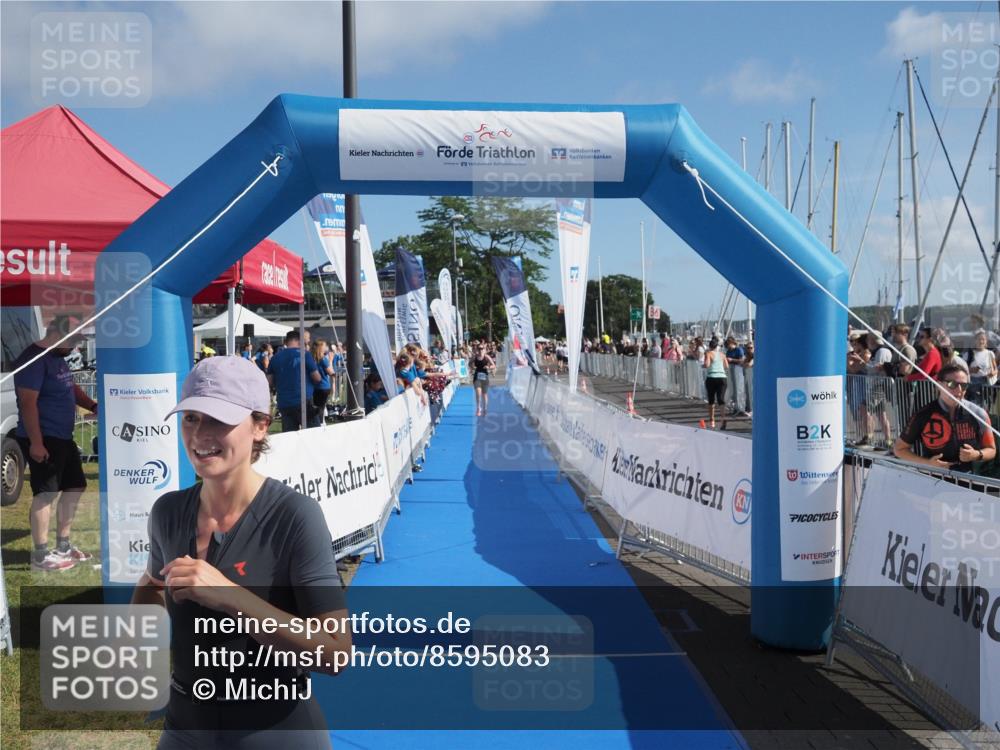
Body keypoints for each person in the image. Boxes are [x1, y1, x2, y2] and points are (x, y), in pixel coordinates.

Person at [132, 355, 350, 747]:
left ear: (260, 426)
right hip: (186, 727)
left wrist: (232, 598)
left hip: (274, 728)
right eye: (191, 418)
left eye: (218, 420)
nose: (200, 435)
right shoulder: (168, 511)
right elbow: (151, 584)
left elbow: (334, 653)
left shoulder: (295, 516)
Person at [14, 315, 98, 571]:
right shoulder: (33, 360)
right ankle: (40, 556)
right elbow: (28, 403)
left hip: (62, 436)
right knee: (45, 493)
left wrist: (94, 405)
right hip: (43, 436)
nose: (76, 346)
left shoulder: (57, 359)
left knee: (75, 487)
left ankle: (63, 545)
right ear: (57, 335)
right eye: (73, 340)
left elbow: (70, 388)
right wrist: (37, 443)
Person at [893, 363, 996, 473]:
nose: (959, 390)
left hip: (969, 479)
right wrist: (927, 463)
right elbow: (899, 449)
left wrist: (976, 455)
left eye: (964, 385)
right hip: (932, 478)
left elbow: (991, 450)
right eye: (952, 384)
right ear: (939, 385)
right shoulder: (923, 414)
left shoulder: (978, 414)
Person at [267, 330, 322, 432]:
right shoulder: (304, 354)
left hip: (284, 402)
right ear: (299, 341)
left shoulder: (275, 357)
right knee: (314, 434)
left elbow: (269, 382)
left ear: (286, 341)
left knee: (289, 437)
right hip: (303, 401)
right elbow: (317, 377)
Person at [702, 336, 728, 429]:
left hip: (712, 377)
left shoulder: (708, 353)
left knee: (711, 399)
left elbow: (707, 364)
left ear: (709, 346)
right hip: (722, 377)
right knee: (721, 399)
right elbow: (726, 366)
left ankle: (712, 420)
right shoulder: (722, 354)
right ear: (717, 346)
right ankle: (723, 418)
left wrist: (703, 365)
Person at [310, 338, 334, 423]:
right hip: (323, 386)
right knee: (321, 407)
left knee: (317, 406)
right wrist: (331, 361)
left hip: (314, 387)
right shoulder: (323, 359)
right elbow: (331, 372)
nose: (326, 348)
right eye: (324, 346)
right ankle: (320, 424)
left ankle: (319, 422)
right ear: (321, 348)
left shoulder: (311, 358)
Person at [472, 343, 496, 417]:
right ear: (477, 349)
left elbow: (494, 365)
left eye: (482, 348)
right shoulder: (475, 357)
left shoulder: (487, 357)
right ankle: (479, 408)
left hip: (485, 377)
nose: (480, 350)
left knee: (484, 394)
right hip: (477, 377)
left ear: (484, 349)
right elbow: (469, 363)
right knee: (478, 393)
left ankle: (485, 409)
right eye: (479, 348)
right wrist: (472, 367)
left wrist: (488, 367)